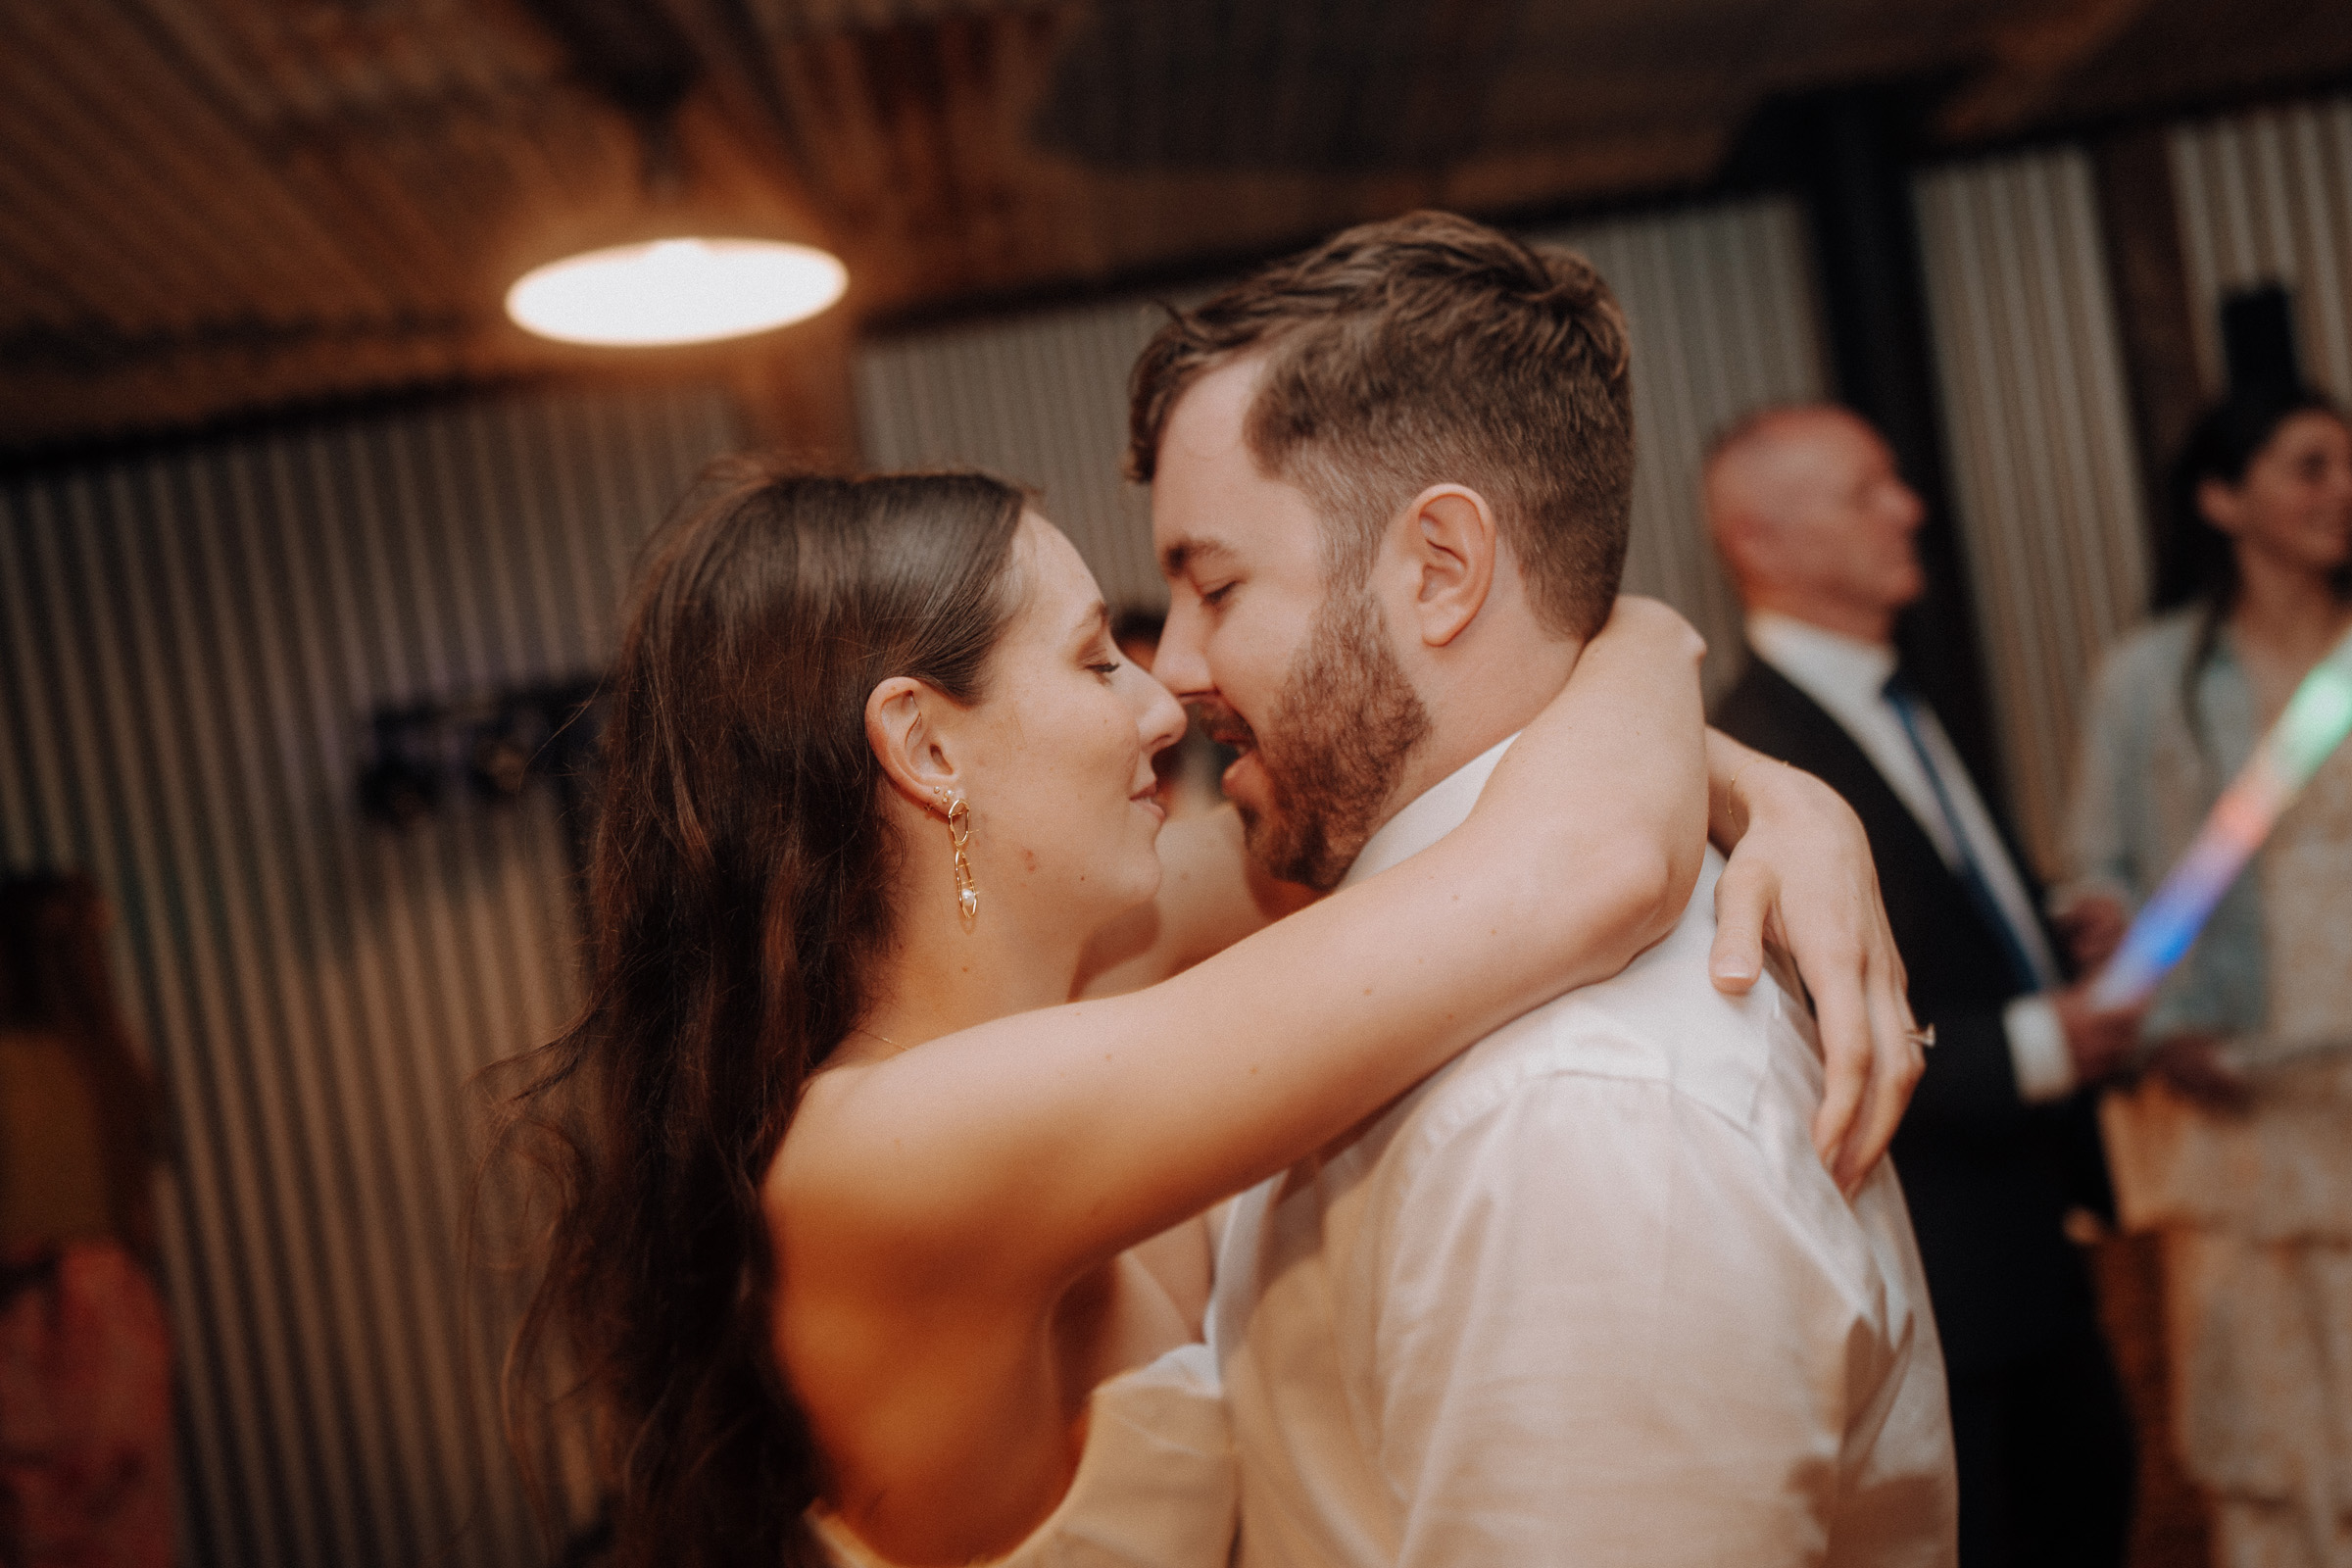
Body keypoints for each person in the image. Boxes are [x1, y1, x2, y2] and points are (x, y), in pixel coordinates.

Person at [503, 458, 1923, 1568]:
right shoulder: (888, 1152)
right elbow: (1580, 864)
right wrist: (1654, 638)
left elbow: (1432, 804)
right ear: (926, 746)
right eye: (1092, 661)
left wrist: (1767, 788)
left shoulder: (1094, 959)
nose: (1165, 703)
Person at [1129, 214, 1949, 1567]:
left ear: (1441, 570)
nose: (1174, 672)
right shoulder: (1400, 955)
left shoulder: (1581, 1116)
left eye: (1216, 585)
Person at [1705, 403, 2136, 1567]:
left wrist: (2045, 932)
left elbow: (1927, 930)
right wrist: (2041, 1044)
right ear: (1762, 539)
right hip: (1944, 1287)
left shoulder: (1901, 691)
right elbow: (1798, 1028)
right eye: (1866, 490)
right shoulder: (1754, 762)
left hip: (2035, 1252)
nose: (1910, 508)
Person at [2060, 386, 2352, 1568]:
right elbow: (2097, 874)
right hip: (2232, 1087)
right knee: (2265, 1429)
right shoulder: (2148, 678)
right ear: (2224, 500)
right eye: (2310, 466)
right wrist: (2159, 1019)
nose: (2341, 490)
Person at [0, 872, 174, 1568]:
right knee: (126, 1533)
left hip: (34, 1326)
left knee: (39, 1532)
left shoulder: (12, 1068)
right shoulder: (113, 1057)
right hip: (122, 1316)